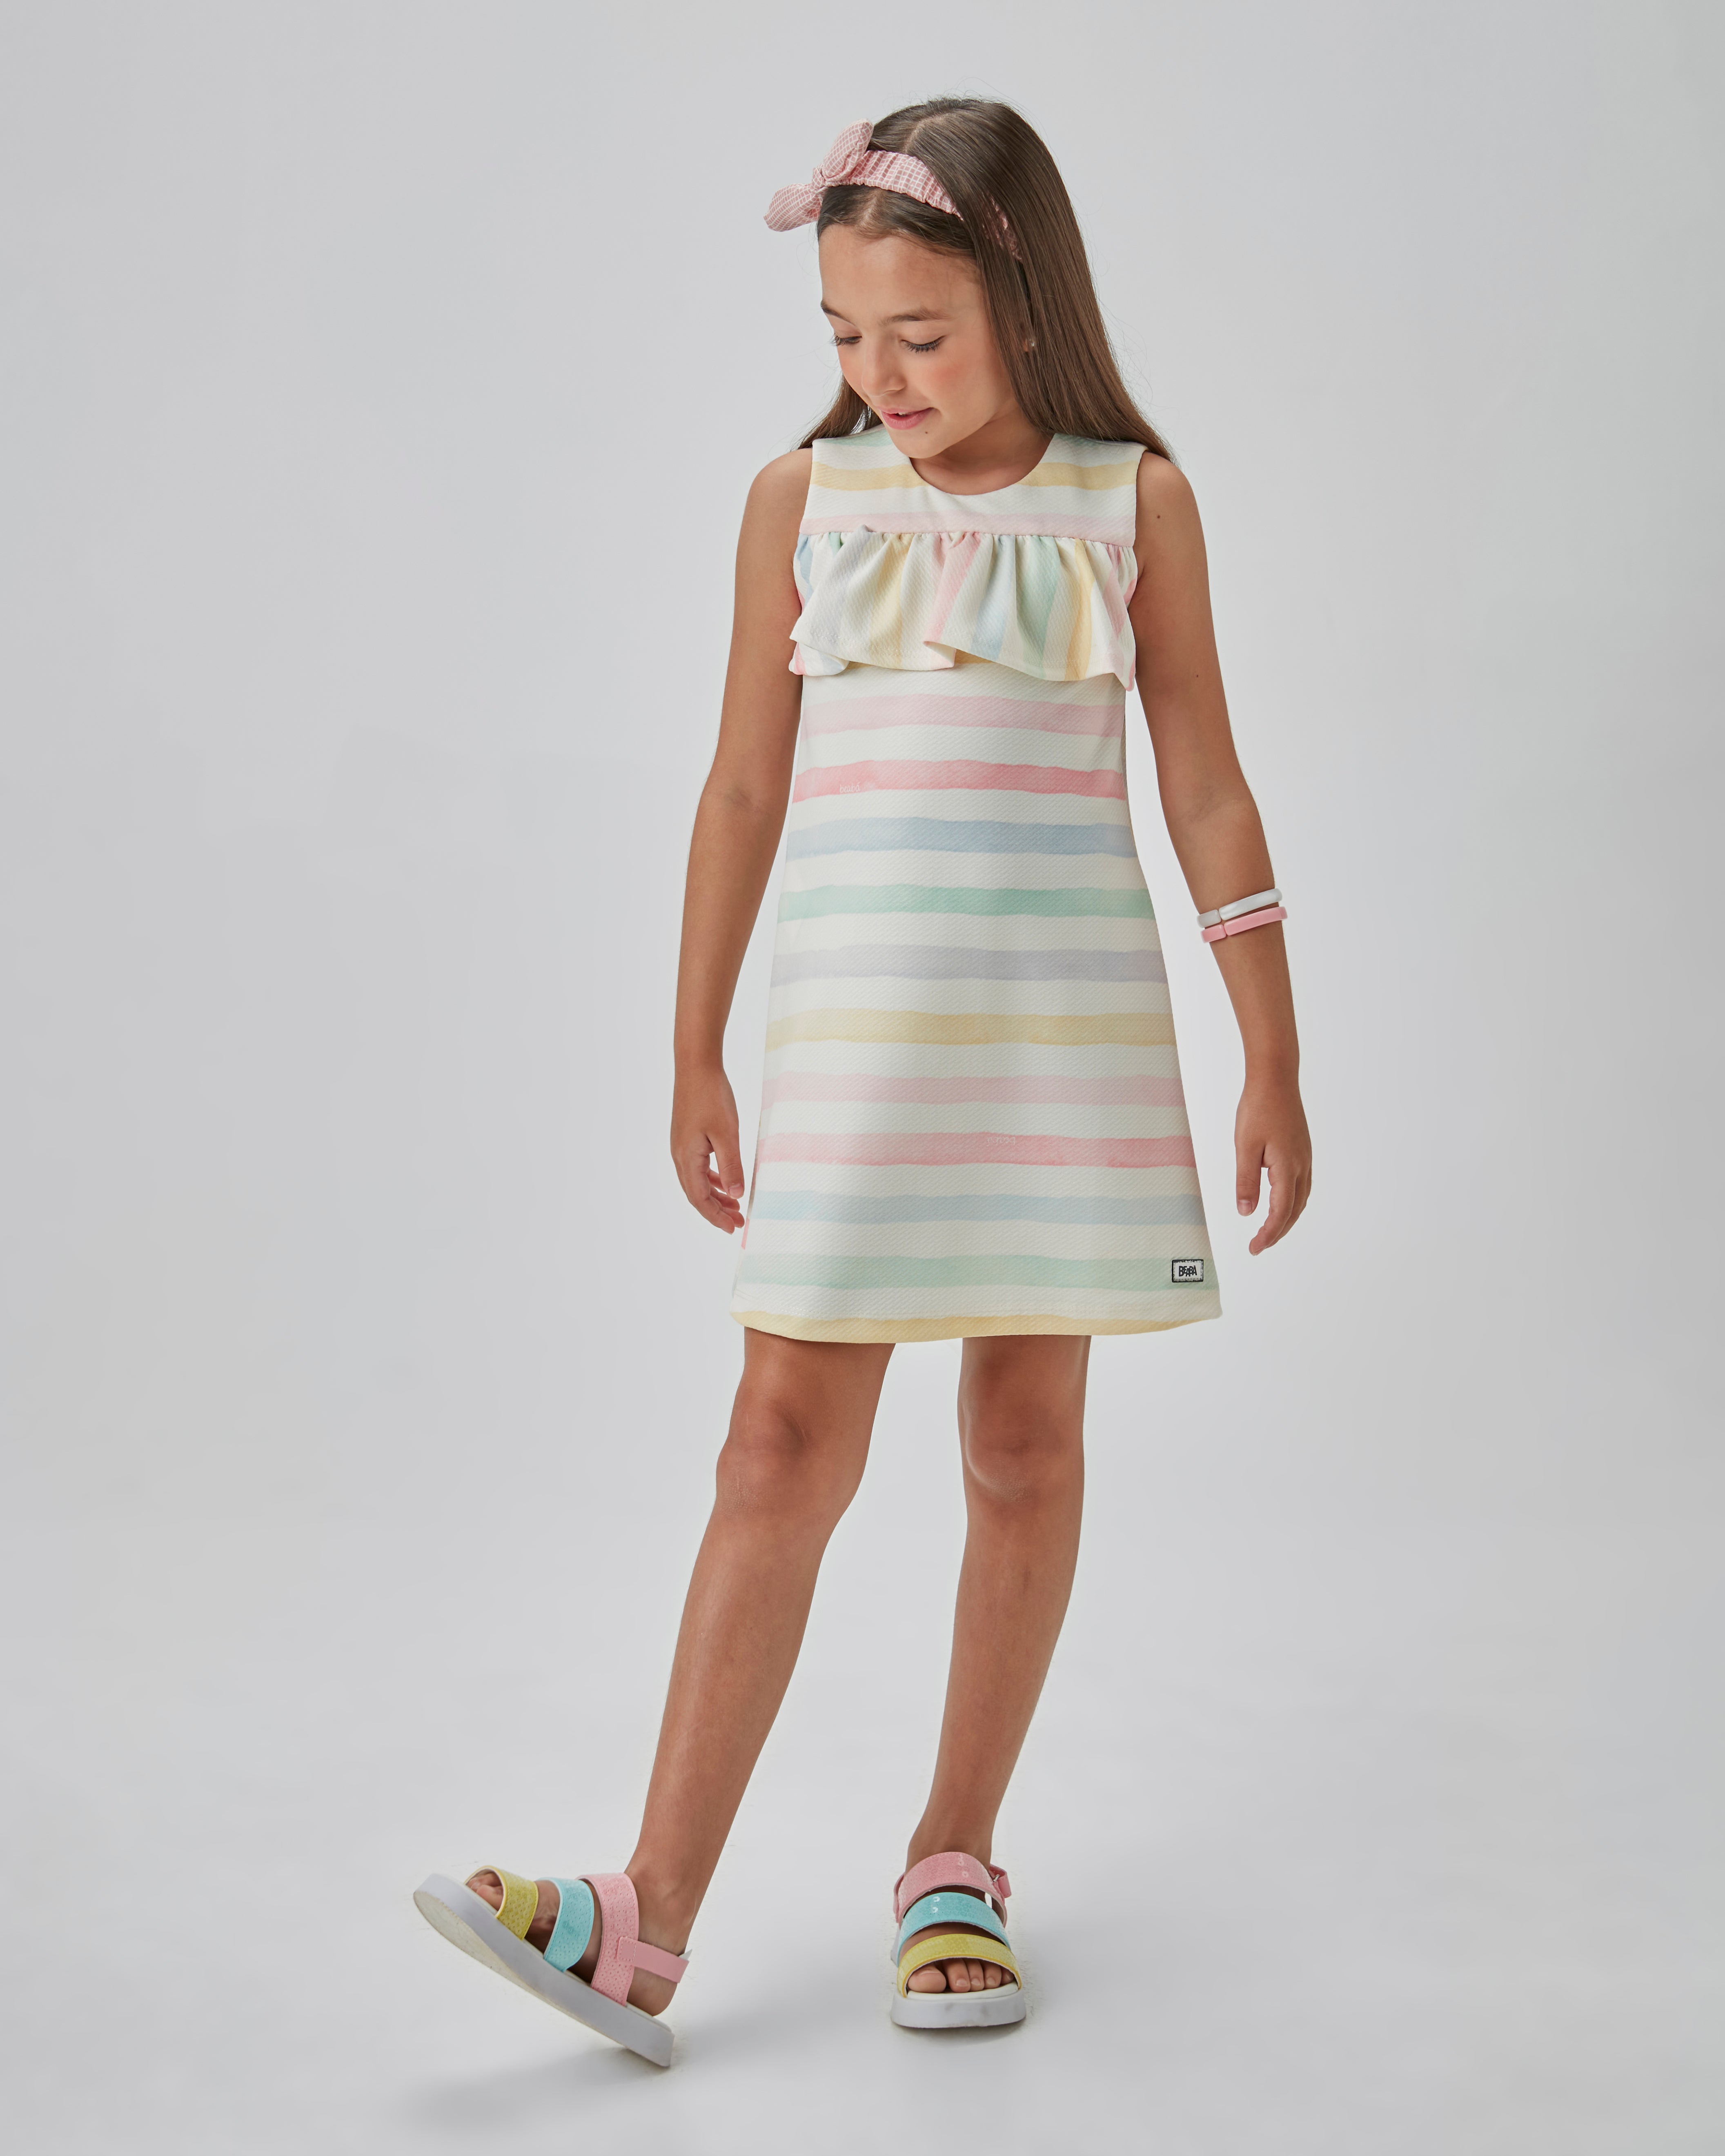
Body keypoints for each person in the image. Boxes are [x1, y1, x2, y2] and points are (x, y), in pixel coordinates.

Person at [414, 96, 1311, 2065]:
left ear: (1025, 302)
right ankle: (643, 1916)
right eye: (842, 335)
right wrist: (691, 1041)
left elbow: (1207, 784)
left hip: (1058, 1057)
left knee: (1023, 1446)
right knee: (774, 1444)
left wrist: (1273, 1048)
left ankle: (953, 1857)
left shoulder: (1130, 504)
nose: (879, 375)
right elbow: (743, 786)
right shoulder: (799, 502)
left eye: (919, 335)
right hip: (854, 1055)